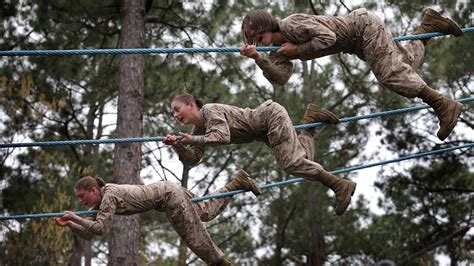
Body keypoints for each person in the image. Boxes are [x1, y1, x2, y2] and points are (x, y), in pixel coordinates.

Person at [239, 8, 464, 141]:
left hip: (363, 26)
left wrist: (297, 50)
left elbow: (328, 38)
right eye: (253, 40)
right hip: (357, 44)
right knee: (405, 64)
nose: (256, 41)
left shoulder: (291, 25)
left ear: (265, 25)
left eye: (256, 35)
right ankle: (429, 27)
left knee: (390, 74)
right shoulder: (277, 53)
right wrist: (259, 59)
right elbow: (281, 78)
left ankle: (443, 105)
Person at [164, 93, 356, 216]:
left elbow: (221, 136)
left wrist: (192, 140)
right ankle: (312, 119)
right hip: (264, 131)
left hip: (270, 117)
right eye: (173, 112)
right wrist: (177, 145)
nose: (175, 115)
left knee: (290, 163)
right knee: (303, 161)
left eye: (177, 109)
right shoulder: (198, 131)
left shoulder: (209, 111)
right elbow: (193, 160)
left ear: (191, 105)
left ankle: (339, 185)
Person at [54, 171, 262, 266]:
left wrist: (76, 218)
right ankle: (236, 184)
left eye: (82, 197)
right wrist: (72, 224)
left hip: (168, 196)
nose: (81, 202)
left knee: (192, 234)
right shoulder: (100, 203)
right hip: (168, 190)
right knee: (205, 212)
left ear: (93, 190)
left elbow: (100, 228)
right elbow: (91, 235)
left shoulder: (109, 196)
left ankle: (220, 263)